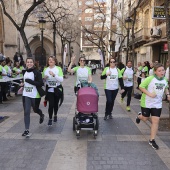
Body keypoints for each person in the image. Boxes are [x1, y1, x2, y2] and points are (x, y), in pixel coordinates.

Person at [136, 63, 170, 150]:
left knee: (155, 121)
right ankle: (139, 116)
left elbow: (166, 87)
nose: (162, 72)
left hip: (157, 104)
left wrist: (168, 94)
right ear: (155, 72)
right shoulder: (150, 79)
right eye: (159, 71)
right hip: (146, 102)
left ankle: (152, 140)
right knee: (145, 118)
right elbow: (141, 86)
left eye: (163, 70)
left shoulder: (165, 79)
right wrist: (150, 94)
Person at [22, 57, 45, 137]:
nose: (29, 63)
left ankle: (41, 114)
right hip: (26, 94)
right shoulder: (24, 72)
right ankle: (26, 130)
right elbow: (25, 82)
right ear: (26, 63)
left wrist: (31, 82)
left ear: (33, 63)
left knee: (35, 110)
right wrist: (23, 84)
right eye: (28, 62)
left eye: (31, 62)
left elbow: (41, 83)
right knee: (26, 111)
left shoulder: (37, 72)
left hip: (35, 95)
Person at [43, 56, 64, 126]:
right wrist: (44, 78)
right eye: (49, 60)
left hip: (57, 89)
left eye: (52, 60)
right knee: (51, 104)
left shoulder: (58, 69)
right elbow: (42, 81)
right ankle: (50, 118)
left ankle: (55, 114)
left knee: (55, 104)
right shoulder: (45, 69)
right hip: (49, 90)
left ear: (55, 61)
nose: (50, 61)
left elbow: (61, 80)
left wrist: (54, 75)